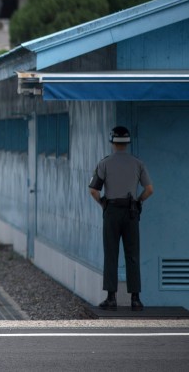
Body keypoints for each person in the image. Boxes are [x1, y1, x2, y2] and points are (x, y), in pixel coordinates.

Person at [88, 126, 154, 311]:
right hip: (131, 212)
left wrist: (103, 203)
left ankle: (111, 298)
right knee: (132, 254)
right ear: (128, 142)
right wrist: (138, 202)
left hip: (112, 211)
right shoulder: (138, 163)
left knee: (111, 254)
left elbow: (93, 190)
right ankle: (135, 299)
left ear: (112, 141)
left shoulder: (105, 163)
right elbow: (149, 190)